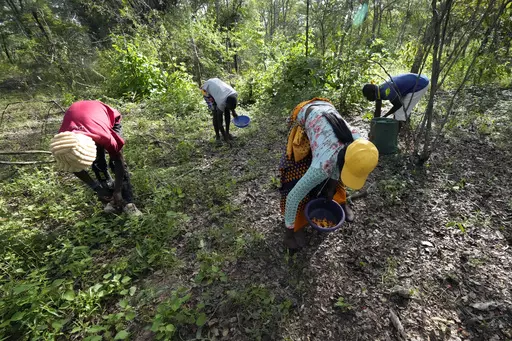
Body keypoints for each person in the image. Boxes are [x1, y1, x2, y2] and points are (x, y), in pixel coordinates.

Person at [279, 98, 379, 250]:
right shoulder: (323, 165)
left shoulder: (360, 144)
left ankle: (340, 200)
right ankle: (292, 231)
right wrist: (289, 234)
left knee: (337, 175)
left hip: (326, 111)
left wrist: (331, 189)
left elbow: (341, 165)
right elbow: (293, 197)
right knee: (295, 175)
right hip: (307, 114)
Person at [50, 100, 141, 216]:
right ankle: (111, 198)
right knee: (98, 163)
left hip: (107, 118)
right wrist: (96, 188)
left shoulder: (105, 137)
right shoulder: (63, 144)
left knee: (115, 162)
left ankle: (128, 202)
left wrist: (118, 190)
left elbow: (119, 161)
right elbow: (72, 166)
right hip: (87, 121)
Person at [362, 73, 430, 124]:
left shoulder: (388, 92)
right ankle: (402, 125)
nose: (368, 99)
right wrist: (376, 122)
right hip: (417, 80)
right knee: (401, 111)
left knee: (399, 113)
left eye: (368, 96)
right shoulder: (379, 89)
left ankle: (395, 135)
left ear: (372, 93)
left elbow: (398, 105)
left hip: (420, 84)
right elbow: (378, 108)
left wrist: (385, 116)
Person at [201, 78, 238, 144]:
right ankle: (218, 137)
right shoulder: (221, 102)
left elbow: (230, 105)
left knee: (227, 111)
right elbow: (219, 122)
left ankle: (227, 133)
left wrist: (233, 111)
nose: (230, 109)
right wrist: (225, 138)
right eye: (230, 108)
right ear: (226, 103)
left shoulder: (234, 94)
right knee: (215, 113)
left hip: (216, 85)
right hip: (206, 90)